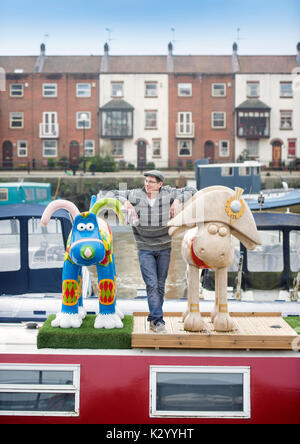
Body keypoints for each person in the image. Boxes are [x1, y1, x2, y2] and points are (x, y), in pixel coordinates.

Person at [111, 170, 196, 333]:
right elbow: (112, 193)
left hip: (165, 246)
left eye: (151, 182)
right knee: (151, 284)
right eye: (146, 181)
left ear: (160, 184)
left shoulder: (169, 193)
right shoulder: (135, 194)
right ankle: (158, 321)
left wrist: (177, 200)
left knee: (160, 285)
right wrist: (125, 202)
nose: (147, 184)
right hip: (145, 247)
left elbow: (192, 190)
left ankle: (153, 316)